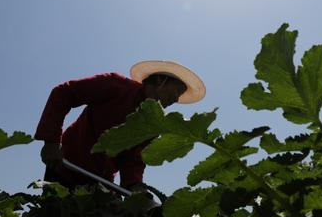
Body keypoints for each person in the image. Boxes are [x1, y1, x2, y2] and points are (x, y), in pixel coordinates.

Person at [34, 60, 206, 192]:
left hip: (100, 184)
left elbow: (134, 161)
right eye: (176, 91)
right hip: (65, 166)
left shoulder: (152, 124)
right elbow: (64, 93)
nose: (177, 99)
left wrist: (135, 186)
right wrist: (51, 141)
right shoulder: (116, 85)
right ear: (161, 80)